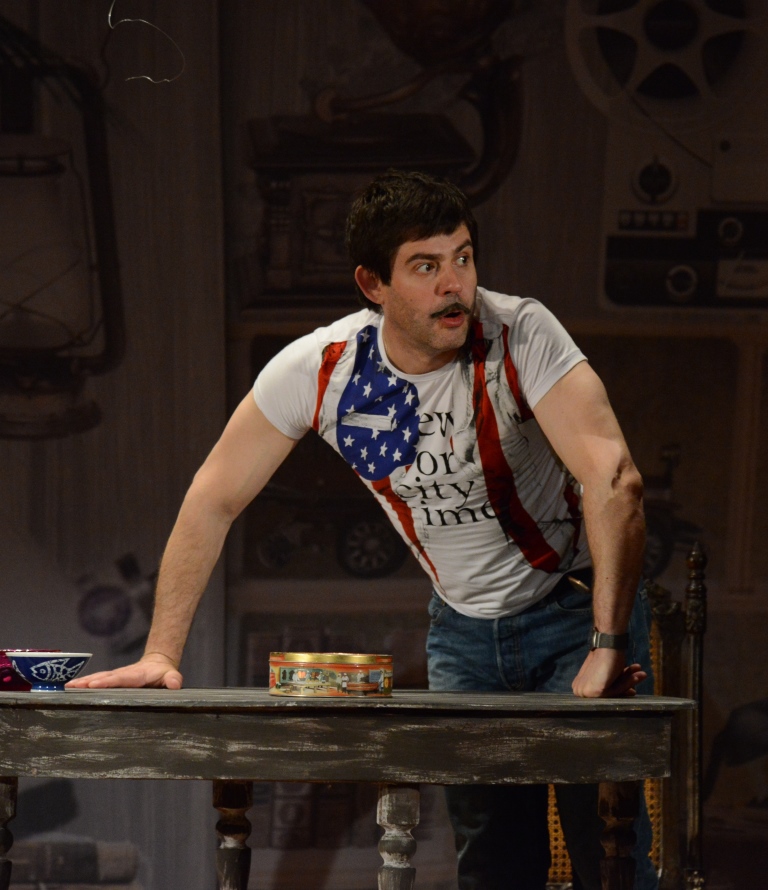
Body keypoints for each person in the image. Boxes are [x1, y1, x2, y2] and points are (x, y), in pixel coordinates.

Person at [70, 169, 656, 890]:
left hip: (572, 609)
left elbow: (615, 479)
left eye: (464, 257)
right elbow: (212, 499)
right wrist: (160, 652)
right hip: (464, 634)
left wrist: (606, 642)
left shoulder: (520, 332)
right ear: (372, 284)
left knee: (609, 859)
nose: (455, 285)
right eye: (425, 266)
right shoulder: (324, 369)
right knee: (493, 868)